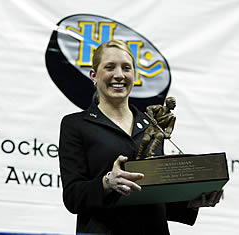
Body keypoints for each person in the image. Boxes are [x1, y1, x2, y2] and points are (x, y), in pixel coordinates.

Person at [59, 40, 223, 235]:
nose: (119, 75)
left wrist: (192, 201)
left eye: (126, 68)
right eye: (110, 67)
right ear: (94, 75)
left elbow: (153, 196)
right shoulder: (76, 124)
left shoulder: (151, 125)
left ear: (134, 75)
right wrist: (107, 183)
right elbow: (73, 197)